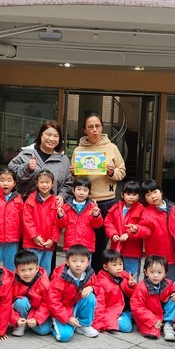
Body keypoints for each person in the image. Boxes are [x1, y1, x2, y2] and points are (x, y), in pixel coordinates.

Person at [71, 113, 126, 272]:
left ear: (102, 128)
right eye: (90, 127)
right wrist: (74, 174)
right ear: (85, 130)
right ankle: (83, 275)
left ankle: (97, 275)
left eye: (97, 126)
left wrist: (112, 172)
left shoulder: (111, 148)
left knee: (101, 242)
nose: (94, 129)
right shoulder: (79, 150)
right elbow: (76, 180)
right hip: (85, 202)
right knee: (84, 241)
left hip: (106, 201)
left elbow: (122, 172)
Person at [8, 120, 73, 201]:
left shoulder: (64, 160)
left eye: (56, 136)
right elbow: (10, 176)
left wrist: (62, 196)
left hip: (52, 206)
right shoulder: (26, 154)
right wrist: (27, 168)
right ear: (41, 135)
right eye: (48, 134)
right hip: (25, 205)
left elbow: (68, 184)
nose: (51, 139)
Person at [48, 244, 100, 341]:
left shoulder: (89, 274)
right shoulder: (60, 277)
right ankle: (52, 323)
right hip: (62, 310)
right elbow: (53, 301)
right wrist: (67, 318)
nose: (78, 264)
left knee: (90, 297)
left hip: (76, 306)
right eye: (74, 261)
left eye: (82, 261)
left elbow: (98, 285)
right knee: (64, 336)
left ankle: (83, 325)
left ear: (88, 262)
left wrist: (91, 288)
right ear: (67, 261)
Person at [132, 180, 175, 282]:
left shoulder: (172, 208)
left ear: (161, 192)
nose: (153, 196)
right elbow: (146, 230)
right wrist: (137, 229)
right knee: (154, 280)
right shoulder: (147, 213)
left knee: (170, 280)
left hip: (172, 253)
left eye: (155, 192)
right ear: (145, 199)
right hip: (156, 253)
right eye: (148, 195)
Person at [130, 255, 175, 341]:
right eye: (152, 272)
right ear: (145, 272)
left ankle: (168, 324)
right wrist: (153, 320)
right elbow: (137, 307)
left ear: (165, 274)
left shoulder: (167, 283)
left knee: (174, 298)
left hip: (162, 312)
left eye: (159, 272)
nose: (155, 275)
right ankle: (160, 324)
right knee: (153, 332)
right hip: (149, 314)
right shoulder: (141, 287)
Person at [21, 170, 61, 274]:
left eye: (47, 182)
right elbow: (27, 220)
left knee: (46, 270)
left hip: (48, 243)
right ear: (36, 184)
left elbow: (58, 223)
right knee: (31, 269)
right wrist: (34, 235)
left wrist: (53, 239)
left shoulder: (56, 202)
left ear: (52, 184)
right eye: (41, 182)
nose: (44, 185)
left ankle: (44, 285)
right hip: (32, 242)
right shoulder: (30, 200)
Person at [103, 180, 145, 276]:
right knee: (116, 274)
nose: (131, 197)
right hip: (117, 248)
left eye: (134, 194)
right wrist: (113, 234)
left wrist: (129, 233)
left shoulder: (141, 210)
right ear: (122, 195)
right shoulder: (116, 208)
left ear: (139, 196)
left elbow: (143, 226)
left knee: (131, 275)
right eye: (128, 194)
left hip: (132, 249)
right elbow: (108, 222)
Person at [10, 250, 53, 336]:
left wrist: (37, 319)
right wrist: (15, 319)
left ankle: (38, 322)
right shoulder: (12, 281)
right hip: (21, 309)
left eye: (30, 269)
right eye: (23, 270)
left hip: (37, 310)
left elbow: (47, 303)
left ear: (37, 269)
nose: (27, 273)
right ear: (17, 271)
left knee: (43, 331)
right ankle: (21, 324)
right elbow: (6, 301)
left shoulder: (44, 283)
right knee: (21, 302)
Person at [93, 249, 137, 333]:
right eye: (114, 265)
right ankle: (126, 317)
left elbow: (134, 295)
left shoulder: (123, 274)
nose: (119, 268)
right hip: (112, 310)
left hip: (124, 307)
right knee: (126, 327)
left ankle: (129, 315)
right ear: (105, 267)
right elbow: (99, 304)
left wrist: (131, 286)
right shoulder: (101, 282)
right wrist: (97, 325)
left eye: (120, 264)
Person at [57, 176, 103, 252]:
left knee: (86, 260)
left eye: (85, 190)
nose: (81, 193)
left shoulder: (92, 206)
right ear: (73, 190)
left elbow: (97, 225)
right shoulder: (66, 206)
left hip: (86, 245)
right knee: (71, 259)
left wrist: (95, 215)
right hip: (71, 243)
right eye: (79, 189)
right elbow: (62, 225)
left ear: (89, 192)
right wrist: (61, 215)